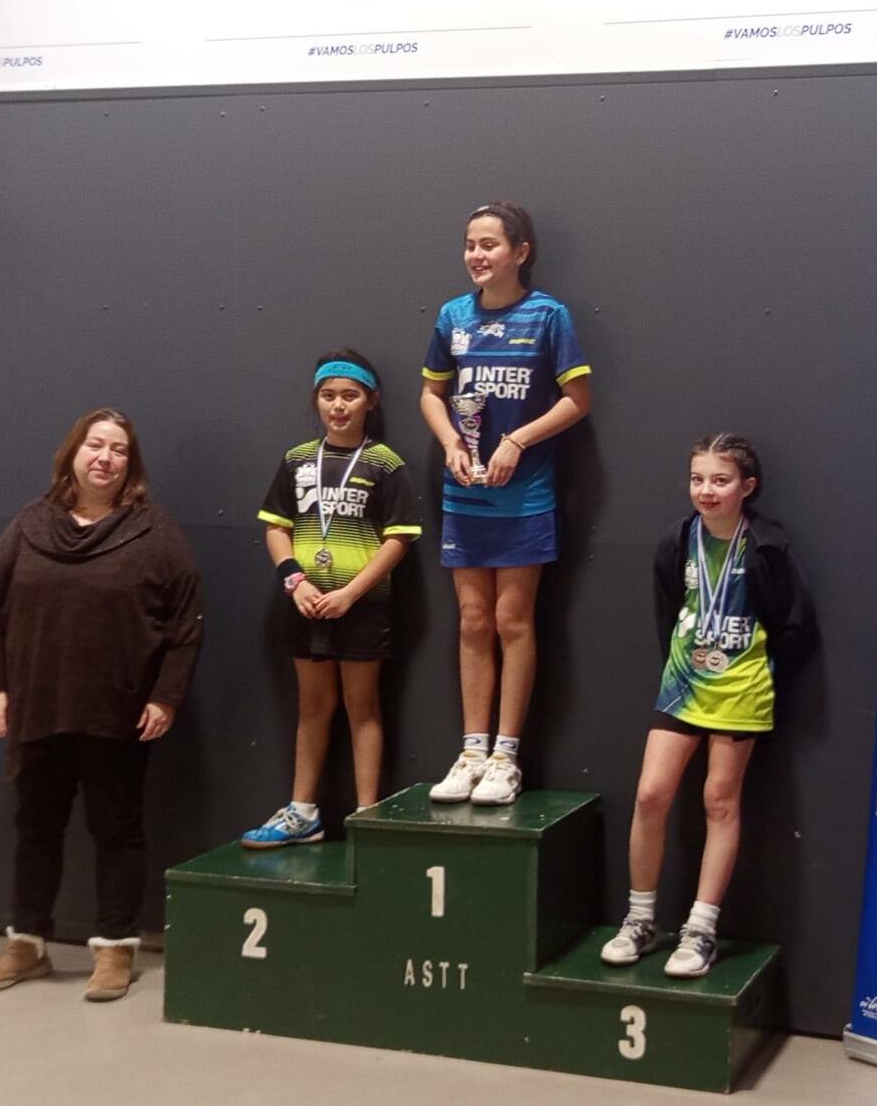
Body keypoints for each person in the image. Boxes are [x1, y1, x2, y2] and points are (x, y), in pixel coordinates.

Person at [0, 408, 203, 1001]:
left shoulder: (155, 533)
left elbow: (185, 626)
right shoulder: (29, 525)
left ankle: (115, 950)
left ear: (131, 464)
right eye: (95, 445)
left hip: (116, 712)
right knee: (36, 827)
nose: (105, 458)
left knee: (116, 829)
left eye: (118, 450)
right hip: (38, 707)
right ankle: (27, 944)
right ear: (73, 453)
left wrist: (165, 697)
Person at [600, 434, 810, 978]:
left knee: (720, 801)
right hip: (683, 683)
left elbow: (793, 624)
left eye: (720, 480)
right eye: (697, 479)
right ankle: (640, 920)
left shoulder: (767, 545)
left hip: (741, 687)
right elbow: (668, 613)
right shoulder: (676, 540)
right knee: (651, 794)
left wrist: (762, 672)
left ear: (747, 486)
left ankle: (701, 930)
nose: (706, 490)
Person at [419, 200, 592, 806]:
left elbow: (577, 399)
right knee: (472, 621)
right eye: (470, 244)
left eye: (489, 244)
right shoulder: (452, 316)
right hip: (465, 491)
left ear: (520, 252)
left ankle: (506, 756)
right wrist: (450, 443)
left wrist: (517, 441)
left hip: (525, 494)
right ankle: (471, 751)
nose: (477, 255)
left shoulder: (548, 315)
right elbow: (431, 393)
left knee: (512, 621)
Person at [241, 351, 421, 847]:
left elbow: (399, 539)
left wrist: (350, 593)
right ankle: (303, 812)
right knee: (313, 707)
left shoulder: (385, 463)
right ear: (316, 400)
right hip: (305, 603)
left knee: (363, 707)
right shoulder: (297, 459)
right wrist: (295, 582)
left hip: (362, 605)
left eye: (349, 396)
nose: (338, 406)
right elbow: (276, 527)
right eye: (328, 396)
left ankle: (367, 815)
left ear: (370, 401)